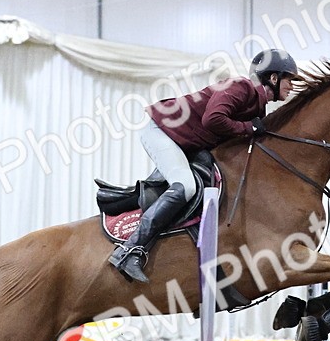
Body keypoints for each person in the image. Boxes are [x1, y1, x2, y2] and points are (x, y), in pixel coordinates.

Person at [108, 49, 299, 283]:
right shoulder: (242, 87)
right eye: (290, 79)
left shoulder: (256, 106)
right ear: (273, 78)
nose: (292, 86)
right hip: (162, 132)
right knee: (186, 186)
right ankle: (128, 250)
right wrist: (248, 129)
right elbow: (213, 119)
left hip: (186, 142)